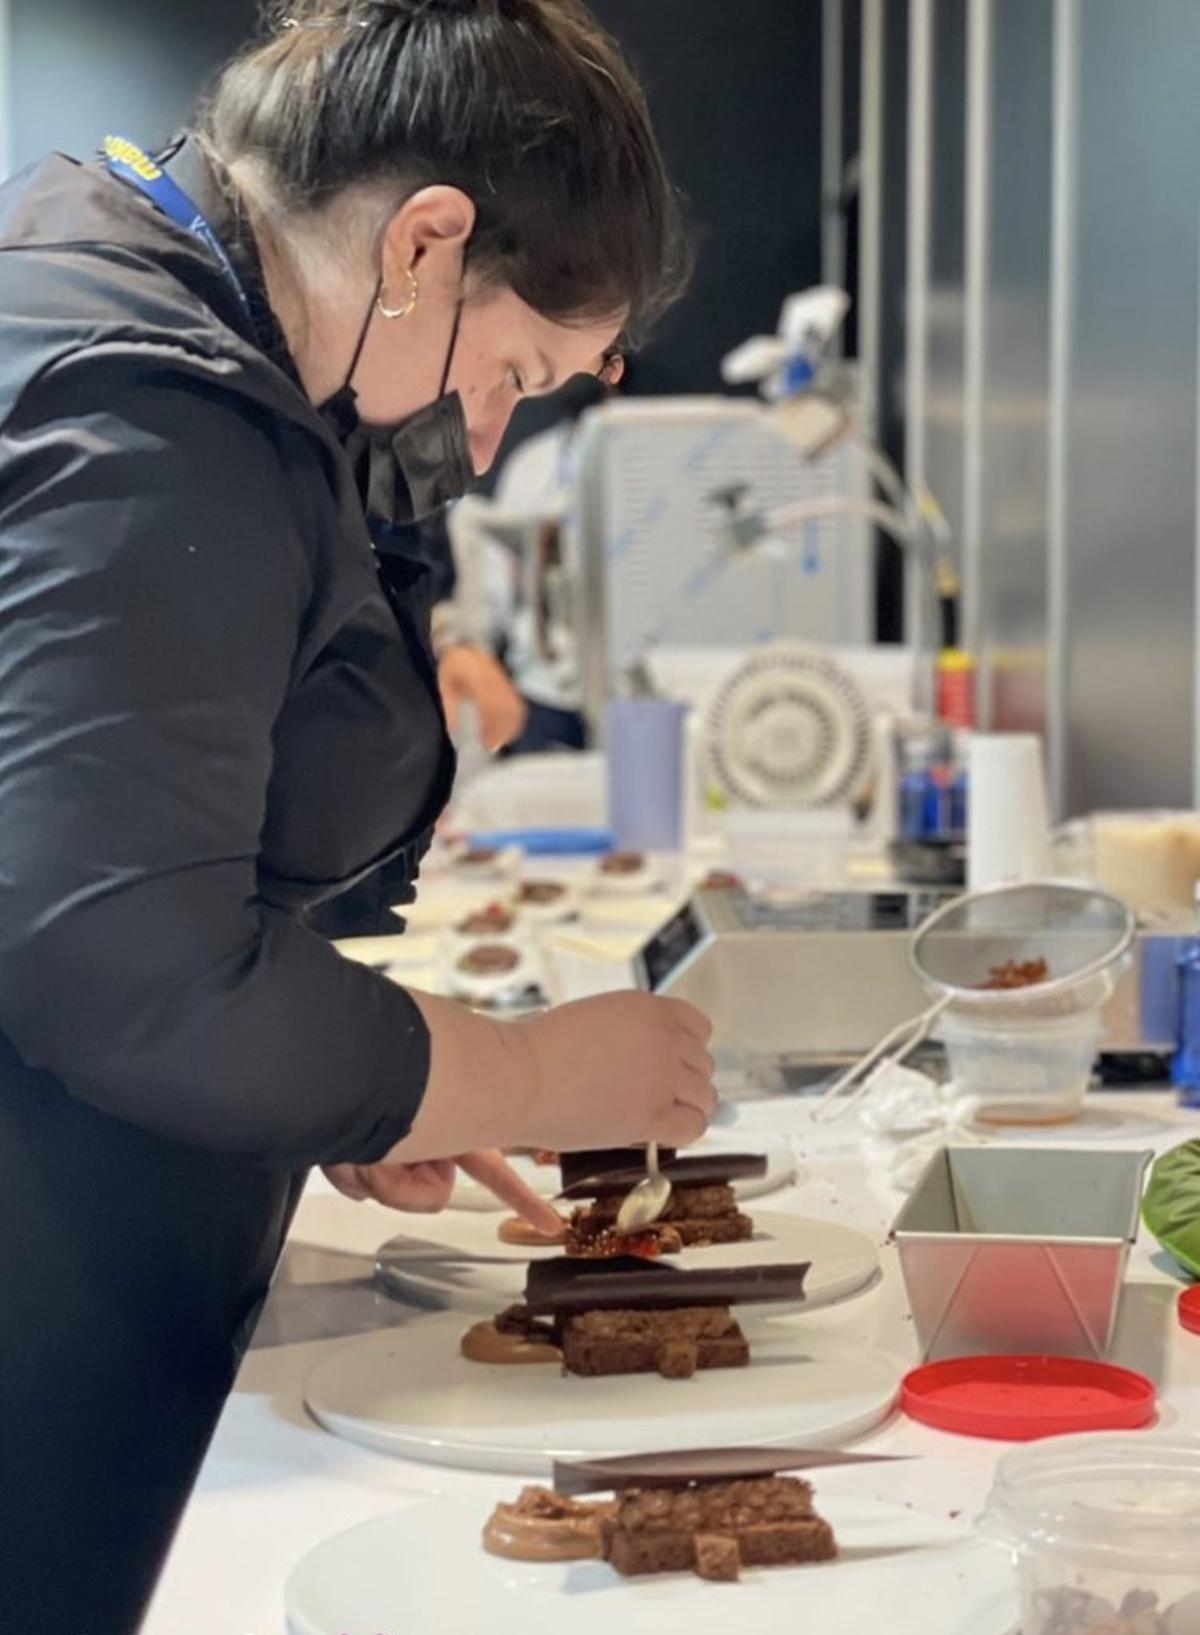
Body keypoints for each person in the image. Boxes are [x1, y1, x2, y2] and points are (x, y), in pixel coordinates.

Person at [0, 2, 704, 1628]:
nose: (486, 430)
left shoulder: (139, 278)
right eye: (513, 366)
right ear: (427, 241)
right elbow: (121, 964)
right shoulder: (156, 411)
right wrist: (519, 1069)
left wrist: (357, 1094)